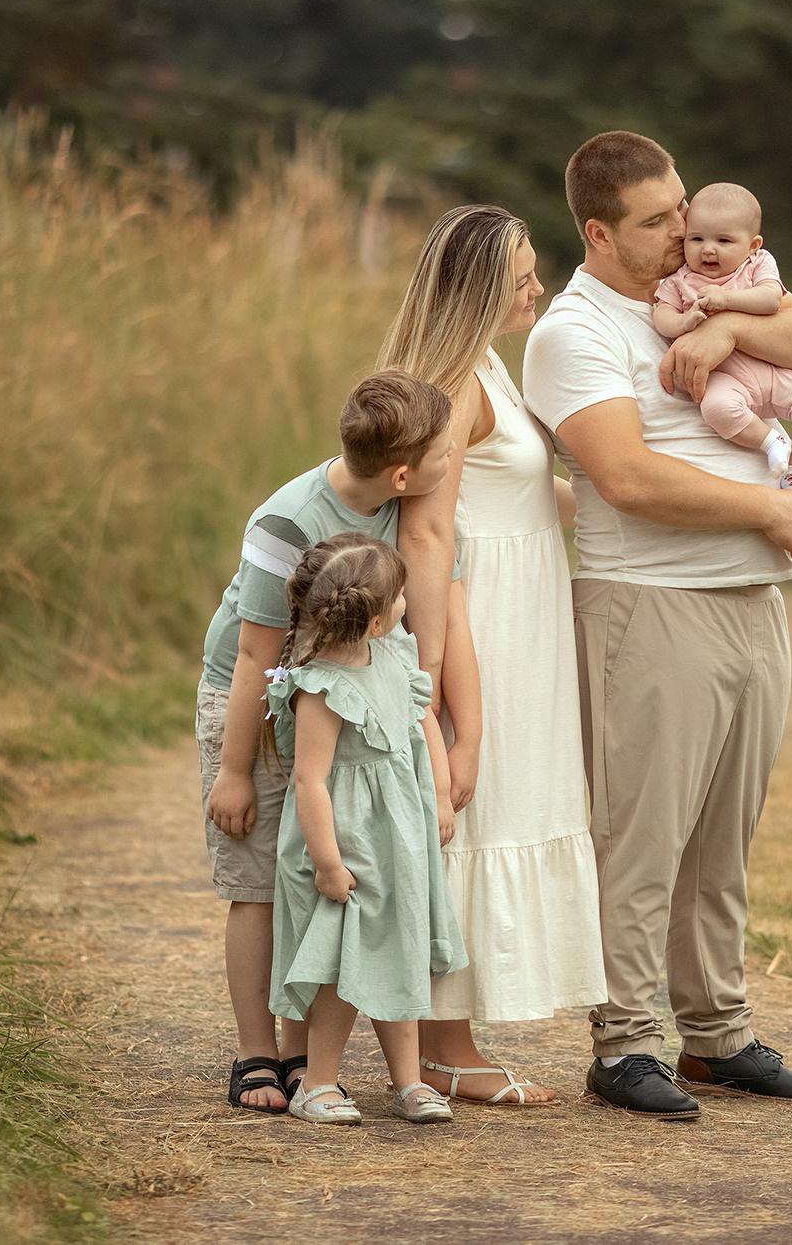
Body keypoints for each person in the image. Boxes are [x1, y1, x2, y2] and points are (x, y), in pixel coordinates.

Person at [522, 130, 792, 1119]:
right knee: (640, 836)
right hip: (648, 605)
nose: (682, 232)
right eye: (658, 220)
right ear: (597, 229)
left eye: (681, 210)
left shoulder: (710, 290)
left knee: (723, 839)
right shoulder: (573, 332)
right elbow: (621, 477)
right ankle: (624, 1044)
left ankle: (716, 1034)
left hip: (750, 602)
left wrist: (718, 333)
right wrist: (767, 507)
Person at [385, 203, 606, 1106]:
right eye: (522, 276)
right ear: (479, 288)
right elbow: (428, 534)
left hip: (527, 614)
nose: (539, 286)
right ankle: (446, 1047)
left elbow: (529, 492)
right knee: (470, 813)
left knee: (503, 806)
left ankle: (454, 1038)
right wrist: (431, 685)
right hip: (484, 622)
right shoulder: (448, 383)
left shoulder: (490, 370)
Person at [199, 371, 453, 1113]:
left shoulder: (402, 506)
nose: (450, 464)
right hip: (258, 699)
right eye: (442, 453)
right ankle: (255, 1050)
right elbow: (253, 656)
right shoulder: (289, 519)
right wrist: (237, 768)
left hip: (347, 696)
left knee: (319, 871)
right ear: (402, 470)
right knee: (256, 877)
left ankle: (300, 1051)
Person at [263, 534, 466, 1125]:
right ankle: (317, 1082)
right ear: (375, 617)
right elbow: (310, 782)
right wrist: (327, 861)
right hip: (348, 840)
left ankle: (408, 1082)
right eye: (401, 595)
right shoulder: (322, 688)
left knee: (398, 952)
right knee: (342, 961)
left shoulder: (397, 654)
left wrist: (441, 798)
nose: (408, 602)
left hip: (399, 833)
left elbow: (420, 721)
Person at [651, 182, 792, 510]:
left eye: (723, 240)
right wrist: (683, 323)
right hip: (726, 377)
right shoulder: (680, 279)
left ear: (752, 245)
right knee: (716, 408)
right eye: (696, 239)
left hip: (769, 370)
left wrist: (726, 300)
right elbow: (661, 313)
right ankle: (770, 440)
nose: (708, 250)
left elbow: (770, 299)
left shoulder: (756, 266)